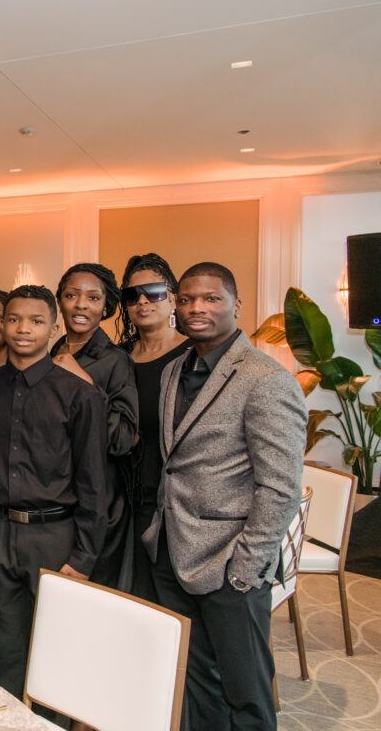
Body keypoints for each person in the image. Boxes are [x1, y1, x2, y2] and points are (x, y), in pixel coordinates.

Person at [144, 262, 305, 731]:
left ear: (237, 306)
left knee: (246, 692)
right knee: (197, 685)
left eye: (211, 299)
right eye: (187, 298)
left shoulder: (266, 379)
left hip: (230, 563)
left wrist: (246, 569)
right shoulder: (176, 369)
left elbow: (279, 487)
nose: (197, 308)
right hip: (173, 552)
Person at [0, 285, 107, 692]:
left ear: (53, 326)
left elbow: (94, 485)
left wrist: (84, 558)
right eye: (14, 319)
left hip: (56, 537)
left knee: (56, 651)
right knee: (4, 648)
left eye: (36, 321)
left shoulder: (80, 395)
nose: (23, 329)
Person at [50, 263, 138, 591]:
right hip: (61, 499)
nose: (81, 304)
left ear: (106, 307)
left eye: (93, 297)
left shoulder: (115, 360)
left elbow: (123, 438)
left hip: (101, 502)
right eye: (72, 295)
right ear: (60, 300)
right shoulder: (54, 350)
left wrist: (86, 383)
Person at [116, 253, 190, 602]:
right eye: (132, 295)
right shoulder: (119, 358)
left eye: (154, 292)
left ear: (173, 297)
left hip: (174, 500)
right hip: (123, 495)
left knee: (171, 601)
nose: (142, 301)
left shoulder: (194, 355)